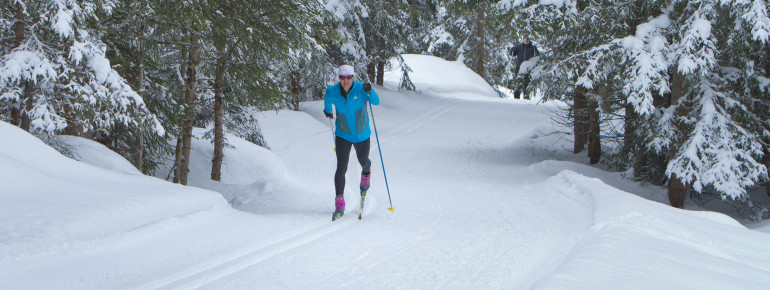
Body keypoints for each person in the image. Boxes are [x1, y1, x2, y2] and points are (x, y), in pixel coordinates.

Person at [324, 64, 380, 220]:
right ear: (339, 78)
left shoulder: (362, 88)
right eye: (342, 77)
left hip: (362, 134)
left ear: (353, 77)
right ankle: (339, 202)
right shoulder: (332, 91)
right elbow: (327, 102)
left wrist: (370, 90)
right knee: (341, 167)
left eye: (349, 77)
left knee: (363, 161)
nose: (346, 81)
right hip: (343, 134)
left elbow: (376, 101)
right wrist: (328, 111)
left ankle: (366, 173)